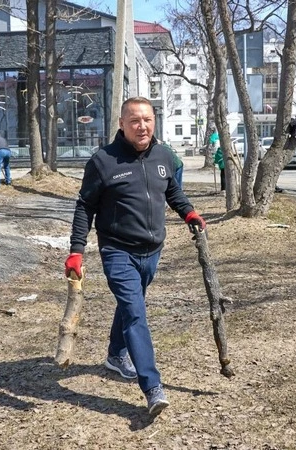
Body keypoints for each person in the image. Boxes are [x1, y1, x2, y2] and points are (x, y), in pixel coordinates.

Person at [65, 96, 206, 416]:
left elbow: (172, 190)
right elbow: (85, 206)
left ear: (154, 121)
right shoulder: (103, 161)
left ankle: (115, 355)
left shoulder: (164, 155)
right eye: (134, 121)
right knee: (135, 312)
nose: (142, 126)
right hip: (117, 250)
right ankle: (152, 387)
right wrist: (76, 251)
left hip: (152, 250)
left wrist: (188, 213)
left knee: (131, 305)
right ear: (122, 124)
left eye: (147, 120)